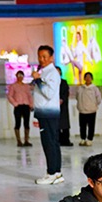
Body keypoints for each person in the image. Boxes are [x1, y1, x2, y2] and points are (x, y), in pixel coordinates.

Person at [32, 46, 63, 185]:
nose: (42, 59)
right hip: (45, 113)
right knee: (52, 142)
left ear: (51, 58)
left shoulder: (52, 73)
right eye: (40, 56)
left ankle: (52, 172)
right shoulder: (44, 72)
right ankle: (56, 172)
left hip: (48, 114)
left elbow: (49, 93)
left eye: (44, 56)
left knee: (49, 143)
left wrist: (38, 80)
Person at [6, 70, 33, 148]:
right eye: (18, 75)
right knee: (18, 123)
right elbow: (10, 96)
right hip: (18, 106)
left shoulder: (26, 86)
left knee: (26, 123)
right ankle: (18, 140)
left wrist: (31, 104)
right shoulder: (13, 86)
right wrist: (15, 103)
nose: (20, 77)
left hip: (26, 105)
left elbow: (29, 96)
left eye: (21, 75)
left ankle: (26, 140)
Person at [75, 71, 101, 146]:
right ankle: (83, 138)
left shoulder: (94, 88)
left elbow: (98, 99)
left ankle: (90, 139)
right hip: (82, 110)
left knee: (91, 126)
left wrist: (94, 105)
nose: (88, 79)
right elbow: (77, 97)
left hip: (91, 110)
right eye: (86, 77)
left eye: (89, 77)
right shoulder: (80, 88)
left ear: (92, 78)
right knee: (82, 126)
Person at [58, 68, 73, 147]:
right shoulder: (51, 83)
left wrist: (62, 99)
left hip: (63, 106)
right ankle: (58, 140)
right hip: (53, 106)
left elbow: (65, 93)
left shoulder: (64, 82)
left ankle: (66, 140)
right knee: (56, 125)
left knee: (64, 124)